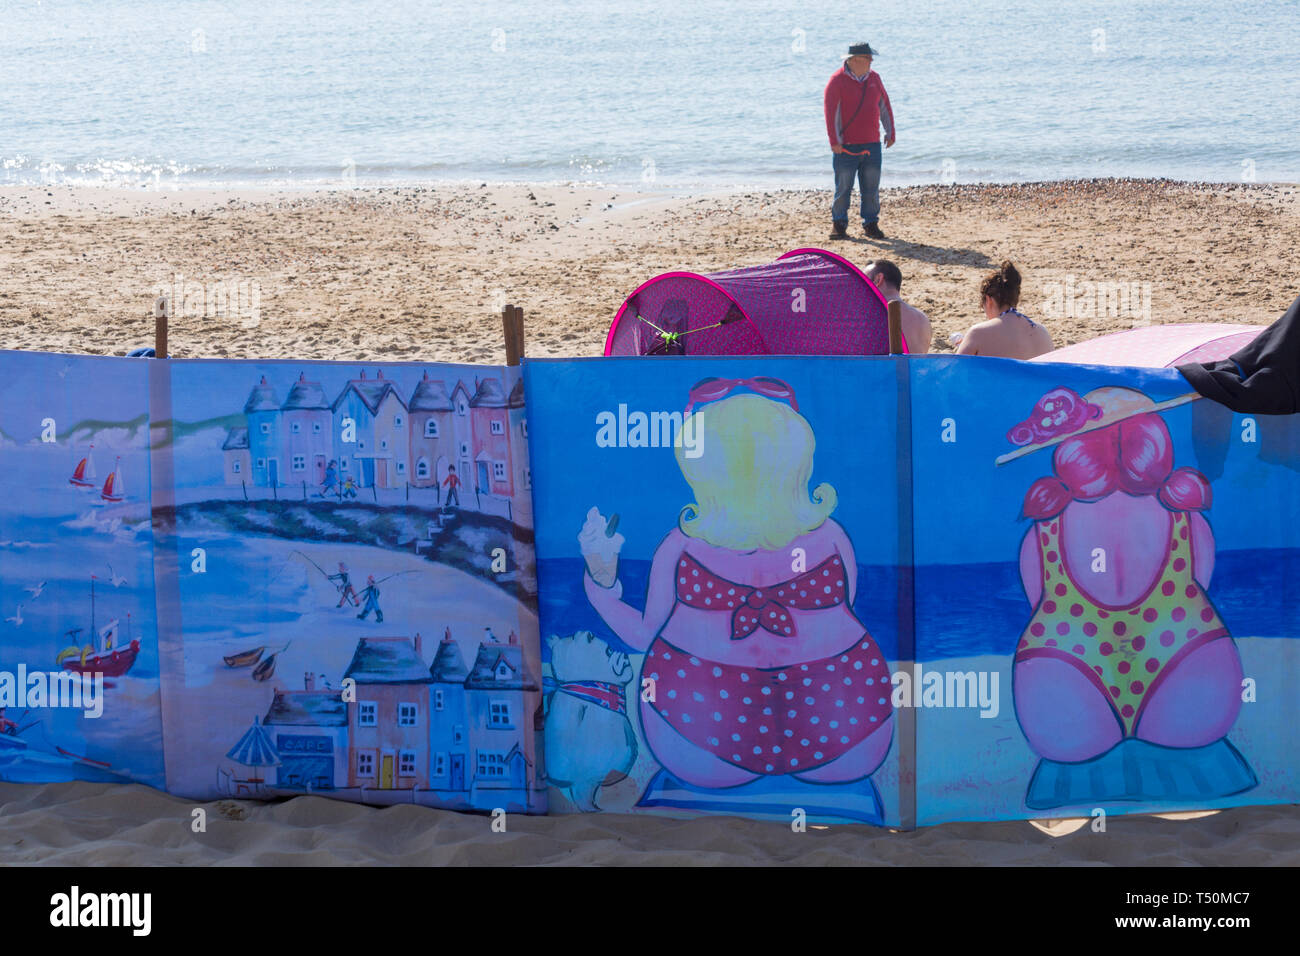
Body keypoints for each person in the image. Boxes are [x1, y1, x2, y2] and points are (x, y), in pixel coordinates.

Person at [581, 377, 894, 791]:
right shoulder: (830, 535)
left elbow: (643, 636)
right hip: (842, 731)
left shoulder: (682, 545)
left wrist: (600, 583)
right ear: (797, 459)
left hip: (701, 731)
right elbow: (848, 605)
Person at [824, 42, 895, 241]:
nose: (871, 61)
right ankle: (839, 225)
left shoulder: (874, 78)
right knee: (843, 188)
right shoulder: (836, 81)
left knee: (871, 189)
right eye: (867, 57)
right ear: (853, 60)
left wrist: (890, 132)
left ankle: (871, 224)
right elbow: (831, 114)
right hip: (845, 147)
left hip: (872, 144)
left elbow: (884, 105)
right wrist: (834, 141)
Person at [955, 261, 1053, 359]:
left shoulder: (977, 333)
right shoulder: (1043, 332)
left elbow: (954, 370)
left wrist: (965, 345)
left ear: (989, 300)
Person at [865, 259, 931, 353]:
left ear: (878, 279)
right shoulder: (922, 317)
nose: (862, 287)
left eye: (865, 280)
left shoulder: (874, 314)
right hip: (918, 368)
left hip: (890, 368)